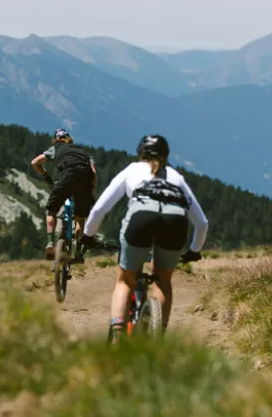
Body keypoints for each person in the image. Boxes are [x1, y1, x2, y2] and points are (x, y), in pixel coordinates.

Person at [80, 134, 208, 343]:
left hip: (141, 219)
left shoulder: (132, 170)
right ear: (166, 155)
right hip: (175, 223)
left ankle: (117, 337)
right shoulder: (176, 177)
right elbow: (202, 223)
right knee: (163, 281)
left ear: (140, 153)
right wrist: (194, 250)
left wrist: (88, 235)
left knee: (125, 280)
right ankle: (159, 337)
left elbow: (100, 209)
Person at [31, 128, 97, 262]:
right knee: (80, 218)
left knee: (51, 211)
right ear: (69, 139)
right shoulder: (83, 152)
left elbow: (35, 162)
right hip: (84, 181)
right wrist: (90, 190)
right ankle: (78, 252)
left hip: (67, 178)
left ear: (56, 139)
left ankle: (50, 242)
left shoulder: (56, 148)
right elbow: (93, 173)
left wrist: (45, 175)